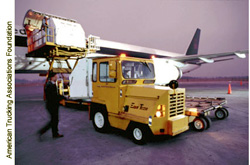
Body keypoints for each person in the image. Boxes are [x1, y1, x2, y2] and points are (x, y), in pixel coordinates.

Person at [38, 72, 64, 139]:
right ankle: (43, 132)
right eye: (56, 76)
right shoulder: (50, 85)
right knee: (54, 120)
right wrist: (62, 97)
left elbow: (54, 95)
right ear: (52, 77)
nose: (57, 77)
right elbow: (53, 96)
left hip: (53, 105)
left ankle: (55, 134)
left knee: (54, 120)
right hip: (52, 105)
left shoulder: (51, 84)